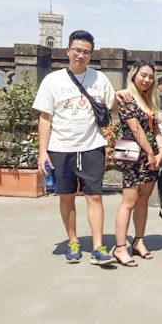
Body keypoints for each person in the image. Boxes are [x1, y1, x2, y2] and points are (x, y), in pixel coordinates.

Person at [33, 30, 116, 265]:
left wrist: (126, 95)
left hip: (91, 146)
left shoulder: (99, 79)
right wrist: (43, 152)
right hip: (61, 147)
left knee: (94, 196)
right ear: (68, 51)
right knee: (67, 196)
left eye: (86, 52)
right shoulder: (53, 80)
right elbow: (45, 118)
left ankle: (98, 246)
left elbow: (114, 107)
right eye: (77, 50)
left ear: (91, 55)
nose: (81, 55)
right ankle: (73, 241)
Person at [112, 59, 162, 267]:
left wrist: (161, 152)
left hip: (151, 156)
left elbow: (156, 129)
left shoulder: (150, 99)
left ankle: (139, 241)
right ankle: (120, 247)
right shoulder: (128, 98)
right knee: (129, 201)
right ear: (134, 75)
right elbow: (136, 130)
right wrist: (151, 153)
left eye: (151, 76)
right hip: (133, 155)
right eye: (143, 75)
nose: (147, 80)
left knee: (143, 200)